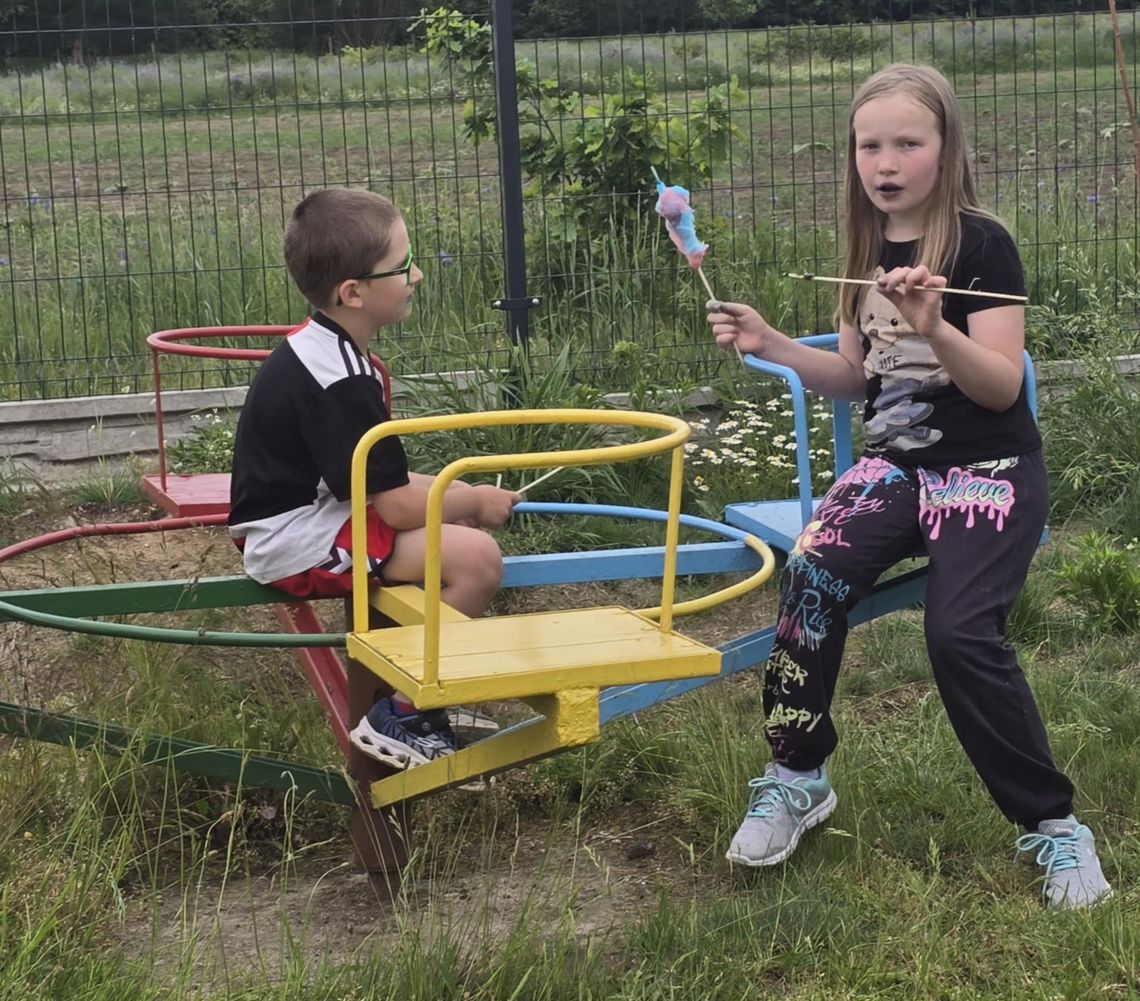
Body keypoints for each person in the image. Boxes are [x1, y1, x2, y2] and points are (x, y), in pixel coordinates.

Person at [706, 64, 1112, 909]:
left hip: (989, 470)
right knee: (810, 574)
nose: (884, 163)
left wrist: (936, 326)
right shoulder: (865, 248)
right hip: (894, 468)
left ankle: (1054, 826)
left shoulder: (982, 245)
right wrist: (773, 342)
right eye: (868, 145)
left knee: (958, 632)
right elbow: (858, 378)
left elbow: (1001, 386)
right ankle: (797, 776)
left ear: (946, 147)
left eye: (906, 143)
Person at [229, 187, 520, 769]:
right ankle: (405, 711)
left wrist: (465, 494)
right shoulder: (342, 380)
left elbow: (379, 477)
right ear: (354, 293)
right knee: (477, 560)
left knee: (457, 534)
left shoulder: (327, 350)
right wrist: (472, 502)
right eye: (403, 266)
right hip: (293, 541)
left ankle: (417, 688)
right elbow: (396, 506)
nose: (417, 275)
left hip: (317, 514)